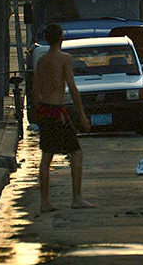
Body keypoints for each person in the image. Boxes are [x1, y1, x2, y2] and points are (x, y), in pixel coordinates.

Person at [33, 23, 93, 212]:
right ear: (61, 38)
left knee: (46, 156)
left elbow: (35, 89)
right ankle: (76, 198)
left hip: (44, 110)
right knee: (76, 152)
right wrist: (82, 114)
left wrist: (38, 113)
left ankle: (45, 202)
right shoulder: (64, 59)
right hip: (57, 111)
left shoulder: (41, 60)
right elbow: (72, 88)